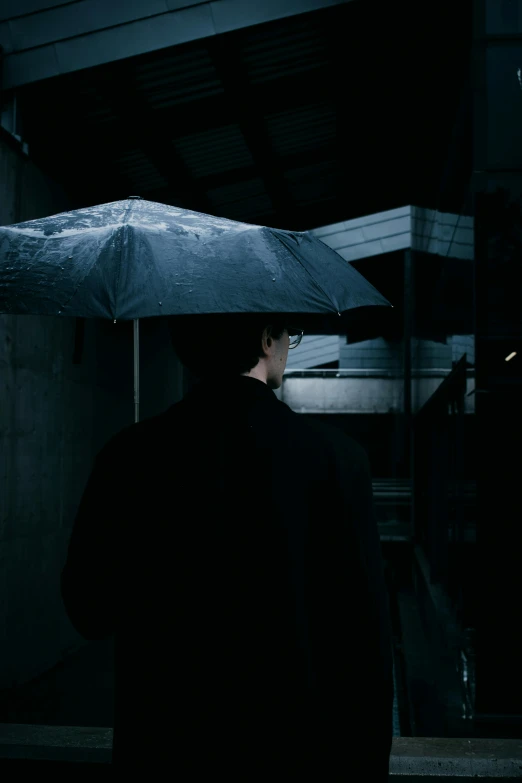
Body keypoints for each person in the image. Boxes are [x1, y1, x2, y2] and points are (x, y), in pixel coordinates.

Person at [60, 313, 394, 779]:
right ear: (264, 339)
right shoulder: (336, 460)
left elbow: (89, 609)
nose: (288, 347)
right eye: (287, 336)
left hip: (163, 752)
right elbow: (365, 648)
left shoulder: (129, 456)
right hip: (292, 757)